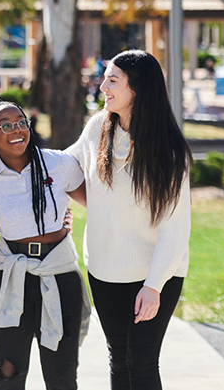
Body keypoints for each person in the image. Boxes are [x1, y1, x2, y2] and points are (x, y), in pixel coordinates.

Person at [66, 50, 192, 390]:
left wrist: (153, 286)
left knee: (142, 361)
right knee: (118, 357)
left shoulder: (168, 150)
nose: (102, 84)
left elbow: (175, 227)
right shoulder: (97, 128)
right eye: (105, 77)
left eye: (113, 79)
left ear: (137, 88)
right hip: (104, 270)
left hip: (154, 275)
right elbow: (66, 169)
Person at [0, 93, 90, 390]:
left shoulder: (58, 164)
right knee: (7, 372)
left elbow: (97, 202)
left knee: (62, 374)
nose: (17, 130)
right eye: (5, 126)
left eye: (21, 122)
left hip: (59, 275)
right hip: (11, 278)